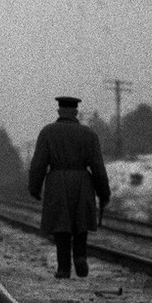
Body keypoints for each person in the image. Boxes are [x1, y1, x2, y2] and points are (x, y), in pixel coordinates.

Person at [28, 96, 111, 278]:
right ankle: (80, 257)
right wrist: (104, 192)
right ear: (75, 112)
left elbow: (39, 164)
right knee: (80, 223)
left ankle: (63, 267)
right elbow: (98, 166)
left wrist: (34, 187)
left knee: (61, 226)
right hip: (82, 181)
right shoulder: (89, 134)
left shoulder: (47, 133)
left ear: (59, 111)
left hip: (57, 182)